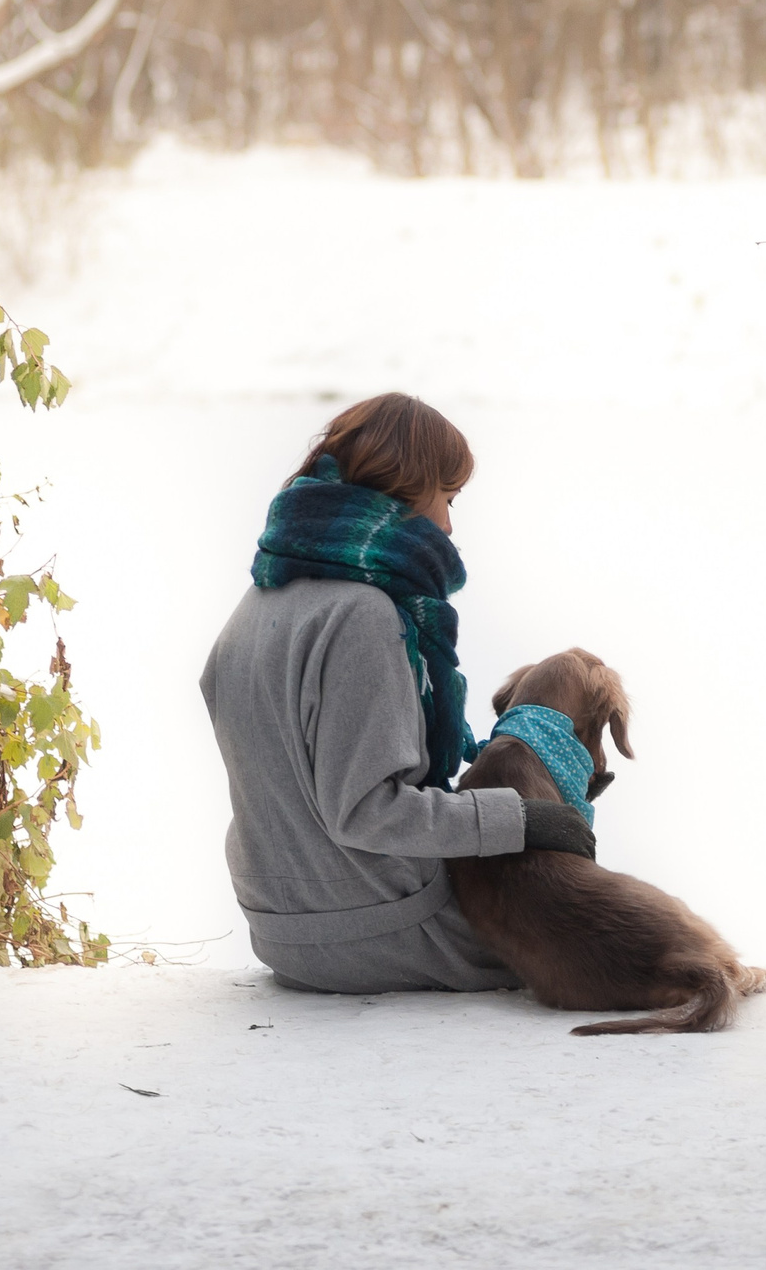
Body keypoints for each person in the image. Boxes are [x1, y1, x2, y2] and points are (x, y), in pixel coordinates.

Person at [200, 393, 597, 992]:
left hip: (282, 933)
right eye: (447, 497)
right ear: (407, 488)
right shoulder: (363, 616)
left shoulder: (260, 601)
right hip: (381, 931)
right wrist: (524, 818)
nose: (448, 524)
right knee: (605, 934)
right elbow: (367, 811)